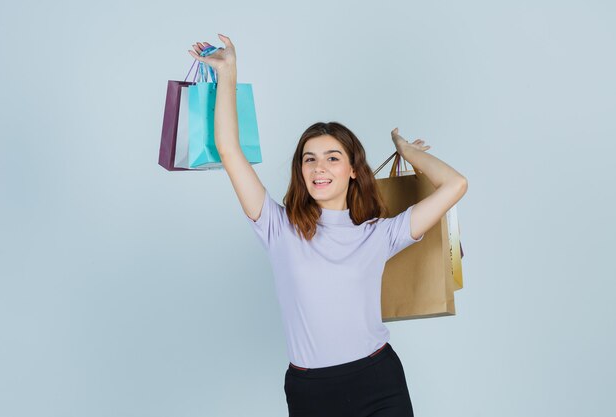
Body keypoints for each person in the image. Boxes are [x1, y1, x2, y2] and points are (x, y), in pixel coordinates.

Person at [189, 34, 468, 417]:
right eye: (309, 159)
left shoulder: (380, 234)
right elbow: (229, 149)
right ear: (300, 169)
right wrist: (228, 73)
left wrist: (407, 151)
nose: (319, 167)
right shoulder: (277, 227)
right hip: (311, 391)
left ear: (353, 170)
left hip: (378, 380)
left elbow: (456, 185)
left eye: (333, 158)